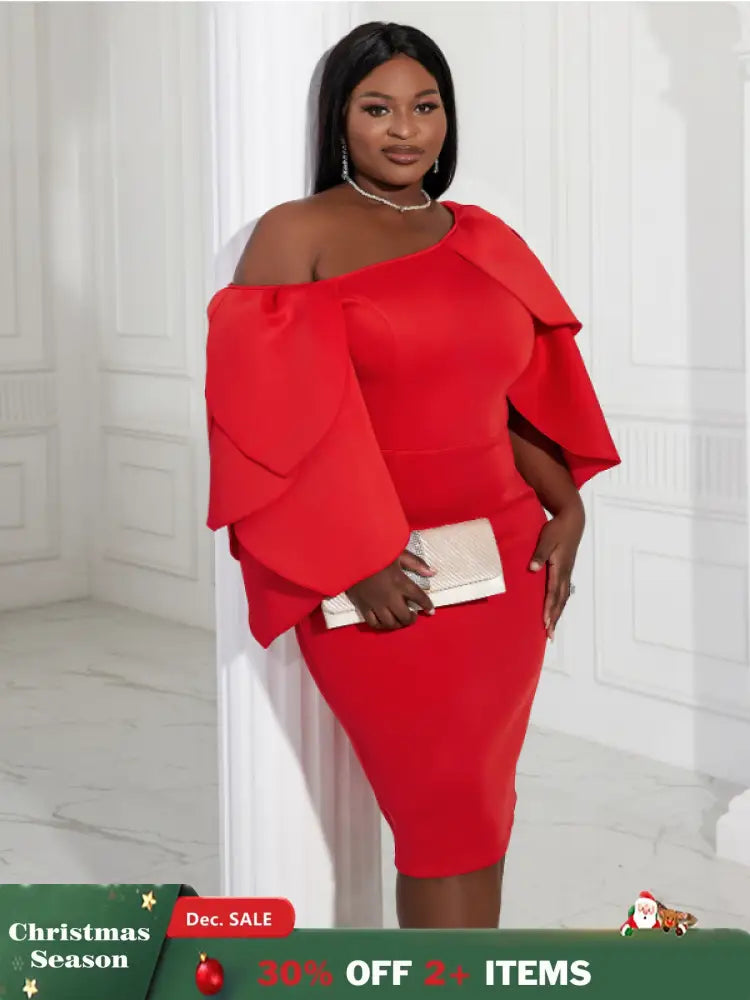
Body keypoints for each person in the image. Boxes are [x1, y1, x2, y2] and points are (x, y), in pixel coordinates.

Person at [205, 21, 621, 929]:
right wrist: (353, 560)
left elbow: (508, 402)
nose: (405, 130)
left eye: (425, 106)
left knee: (479, 815)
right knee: (436, 820)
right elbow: (264, 420)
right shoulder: (297, 234)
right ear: (339, 118)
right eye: (378, 108)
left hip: (504, 566)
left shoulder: (485, 239)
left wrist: (567, 507)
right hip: (379, 572)